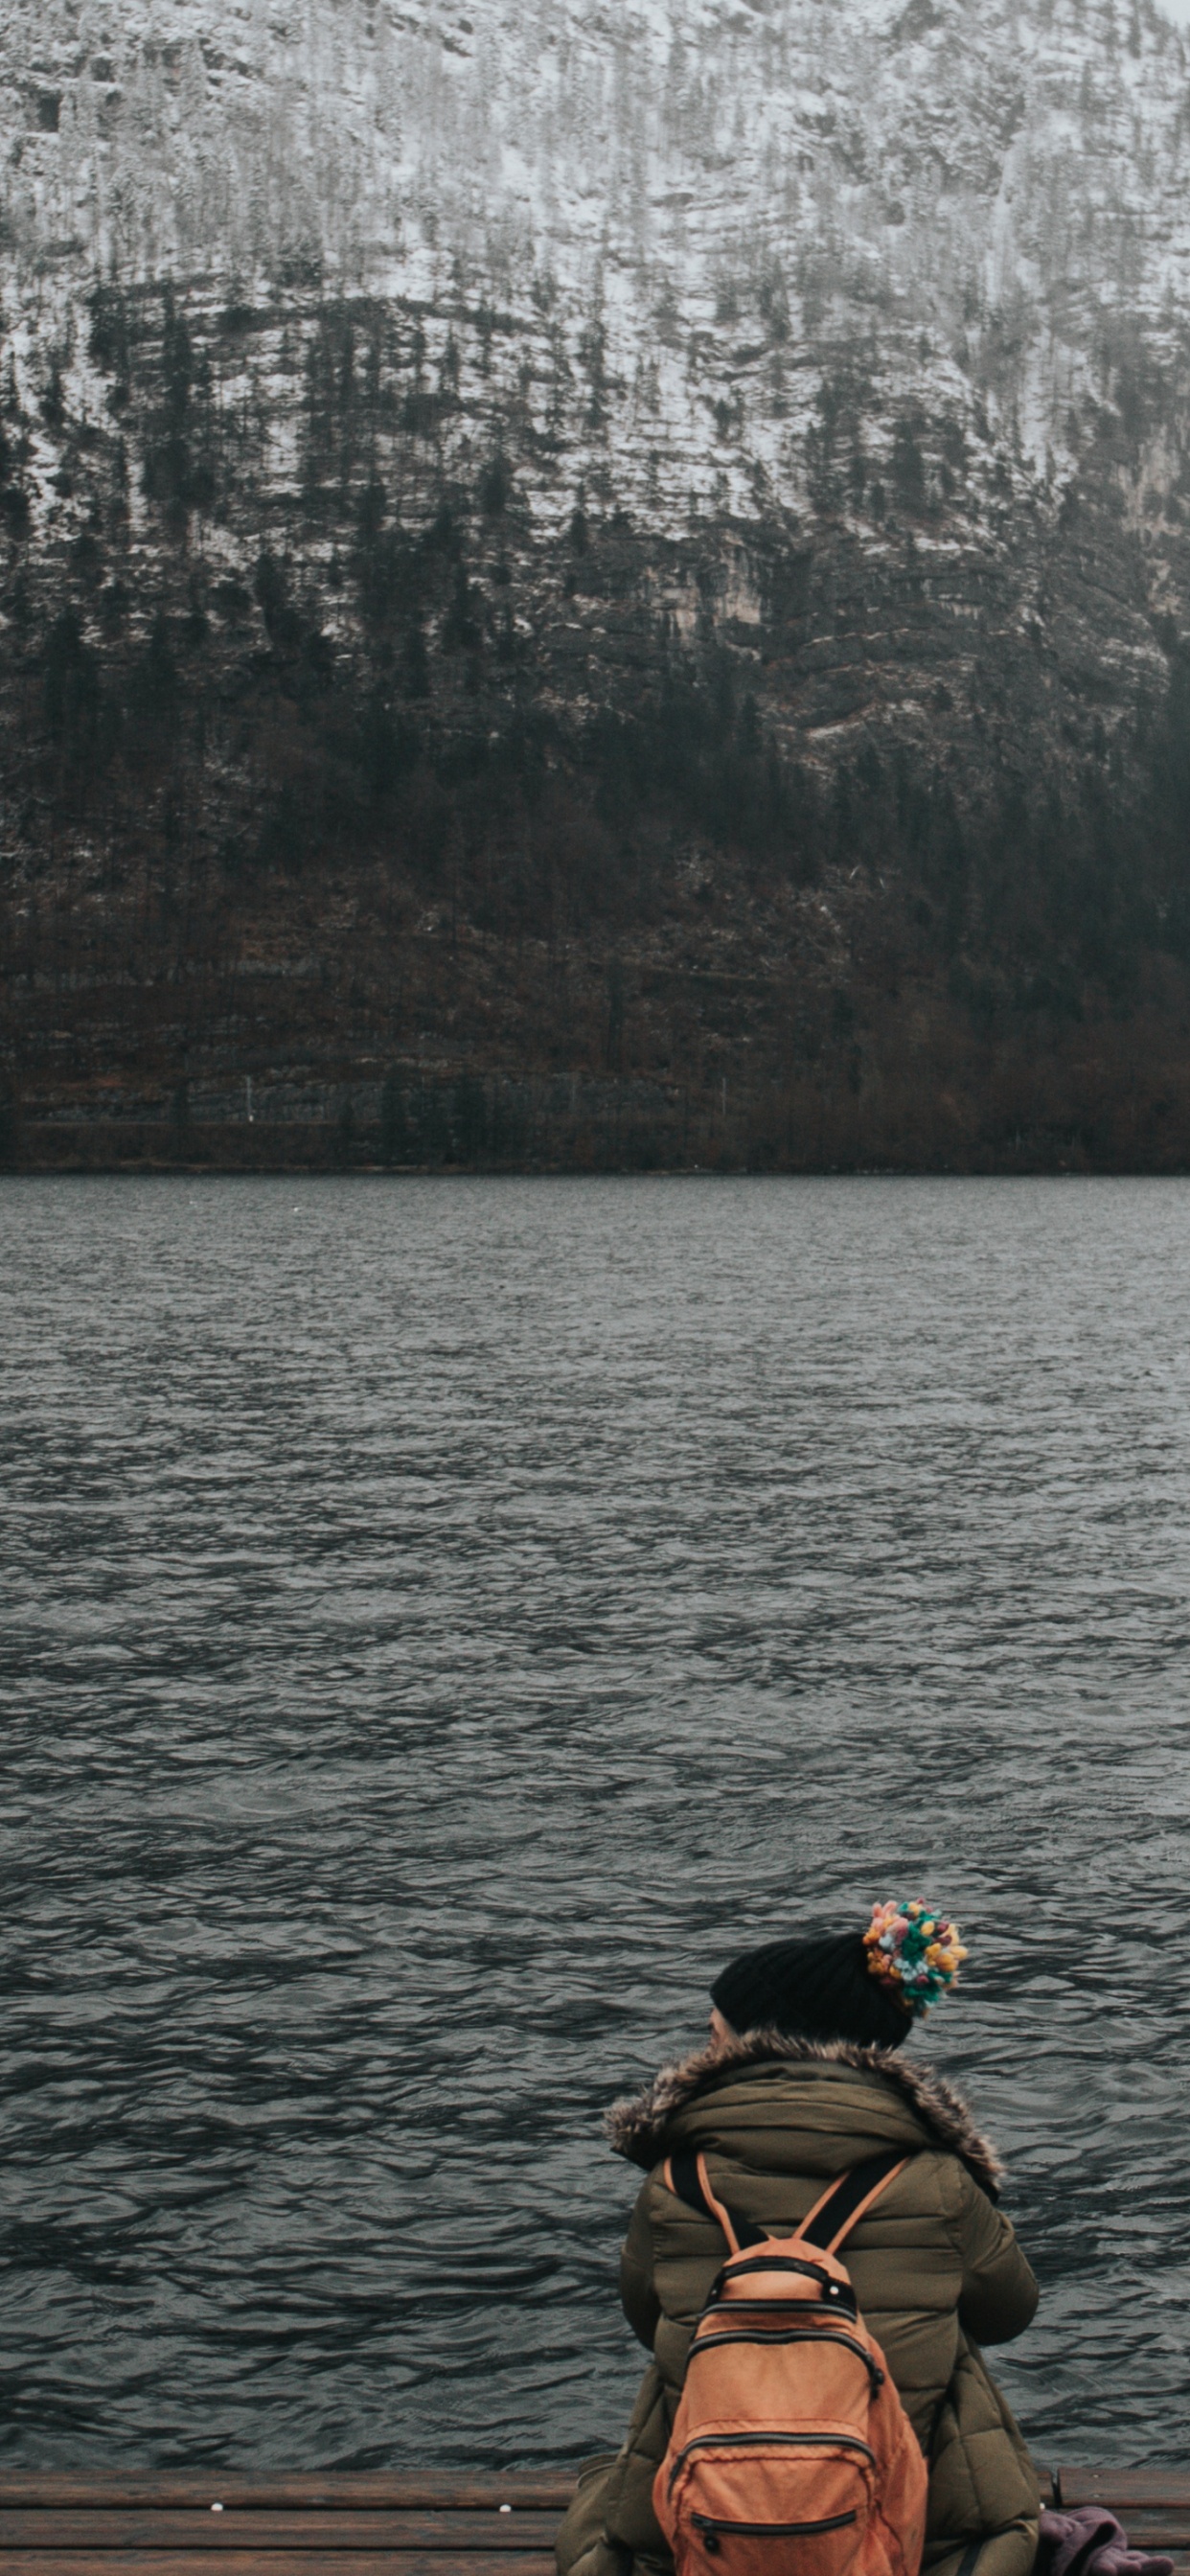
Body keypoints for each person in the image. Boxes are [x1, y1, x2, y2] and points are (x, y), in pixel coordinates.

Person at [556, 1903, 1039, 2576]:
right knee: (948, 2342)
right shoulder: (938, 2179)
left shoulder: (677, 2181)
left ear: (756, 2048)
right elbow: (1011, 2314)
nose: (702, 2053)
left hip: (711, 2527)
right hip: (902, 2529)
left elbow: (647, 2323)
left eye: (716, 2037)